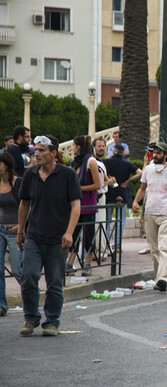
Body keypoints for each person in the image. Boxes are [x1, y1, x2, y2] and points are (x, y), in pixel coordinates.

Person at [17, 135, 81, 336]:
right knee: (29, 276)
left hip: (58, 239)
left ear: (54, 153)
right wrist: (20, 230)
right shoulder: (30, 175)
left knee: (54, 282)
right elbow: (24, 204)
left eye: (42, 150)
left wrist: (69, 232)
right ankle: (30, 318)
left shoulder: (68, 175)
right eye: (36, 150)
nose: (37, 154)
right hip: (34, 236)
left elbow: (75, 205)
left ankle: (52, 321)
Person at [132, 142, 167, 292]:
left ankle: (163, 278)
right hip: (150, 214)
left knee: (164, 248)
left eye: (159, 153)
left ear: (166, 155)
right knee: (154, 250)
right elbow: (143, 189)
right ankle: (158, 278)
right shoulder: (148, 170)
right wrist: (136, 201)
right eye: (154, 152)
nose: (155, 155)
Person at [65, 136, 102, 277]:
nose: (73, 148)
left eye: (74, 146)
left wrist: (79, 189)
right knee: (73, 234)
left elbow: (97, 185)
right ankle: (69, 264)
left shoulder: (91, 162)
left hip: (88, 205)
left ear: (79, 147)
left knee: (89, 236)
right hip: (75, 205)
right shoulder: (74, 163)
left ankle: (88, 264)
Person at [103, 144, 142, 250]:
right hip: (122, 194)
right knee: (121, 221)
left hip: (109, 194)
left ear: (113, 152)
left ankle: (105, 244)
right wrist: (127, 181)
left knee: (107, 221)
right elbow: (140, 173)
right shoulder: (127, 164)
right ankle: (118, 245)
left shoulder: (106, 162)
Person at [0, 152, 23, 317]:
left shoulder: (18, 182)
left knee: (17, 269)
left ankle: (31, 296)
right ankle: (1, 305)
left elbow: (26, 205)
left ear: (6, 165)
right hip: (0, 229)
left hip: (14, 230)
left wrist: (21, 226)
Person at [92, 138, 115, 261]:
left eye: (103, 146)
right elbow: (102, 183)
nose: (101, 148)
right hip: (97, 197)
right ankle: (100, 252)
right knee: (98, 225)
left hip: (100, 197)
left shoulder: (101, 163)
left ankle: (100, 250)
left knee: (100, 225)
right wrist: (110, 182)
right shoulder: (95, 163)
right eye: (99, 146)